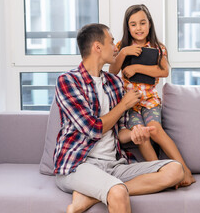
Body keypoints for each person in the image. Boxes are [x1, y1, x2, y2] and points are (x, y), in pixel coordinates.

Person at [54, 23, 185, 213]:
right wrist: (124, 104)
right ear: (97, 47)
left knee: (175, 170)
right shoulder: (67, 81)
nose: (116, 47)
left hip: (114, 165)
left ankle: (91, 197)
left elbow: (119, 132)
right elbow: (93, 129)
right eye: (112, 42)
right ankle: (110, 189)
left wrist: (134, 135)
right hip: (79, 165)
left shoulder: (114, 83)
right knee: (117, 193)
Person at [109, 4, 195, 187]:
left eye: (142, 23)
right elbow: (112, 70)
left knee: (154, 129)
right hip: (130, 103)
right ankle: (160, 175)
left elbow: (163, 71)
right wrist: (124, 53)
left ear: (149, 24)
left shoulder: (158, 47)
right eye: (133, 24)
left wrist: (136, 67)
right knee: (142, 135)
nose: (138, 28)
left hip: (150, 101)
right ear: (128, 27)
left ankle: (185, 170)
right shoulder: (121, 47)